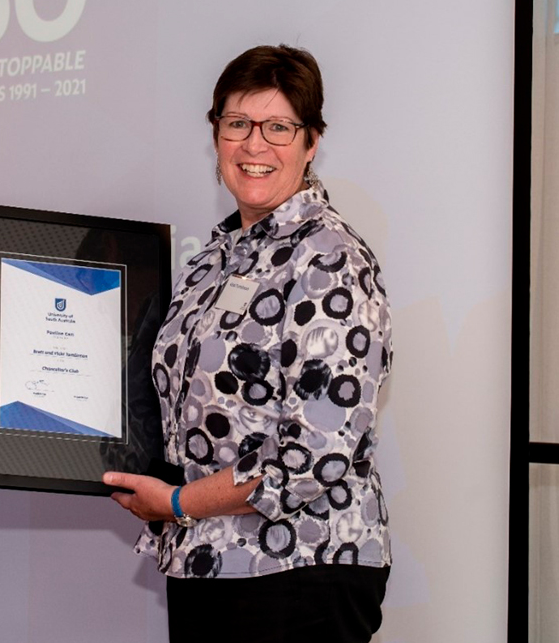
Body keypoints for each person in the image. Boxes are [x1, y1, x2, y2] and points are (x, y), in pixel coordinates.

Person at [103, 45, 393, 642]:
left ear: (312, 142)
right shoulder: (213, 260)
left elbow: (316, 455)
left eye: (279, 127)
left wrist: (180, 503)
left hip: (298, 569)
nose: (254, 145)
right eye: (237, 123)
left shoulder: (330, 260)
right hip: (207, 562)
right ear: (216, 135)